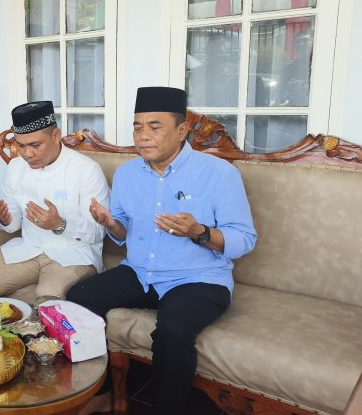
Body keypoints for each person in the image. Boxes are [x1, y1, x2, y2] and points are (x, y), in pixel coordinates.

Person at [67, 87, 257, 415]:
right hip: (141, 272)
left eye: (154, 127)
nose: (143, 136)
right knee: (78, 299)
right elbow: (123, 232)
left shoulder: (219, 174)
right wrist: (111, 223)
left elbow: (245, 238)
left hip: (198, 278)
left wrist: (199, 232)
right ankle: (105, 393)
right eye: (137, 127)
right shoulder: (128, 173)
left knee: (172, 331)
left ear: (182, 131)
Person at [0, 101, 110, 305]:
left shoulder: (86, 170)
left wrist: (60, 224)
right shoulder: (16, 167)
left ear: (56, 136)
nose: (27, 154)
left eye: (35, 145)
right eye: (21, 146)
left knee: (47, 299)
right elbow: (13, 224)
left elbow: (99, 230)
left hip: (73, 253)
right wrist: (5, 218)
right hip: (29, 247)